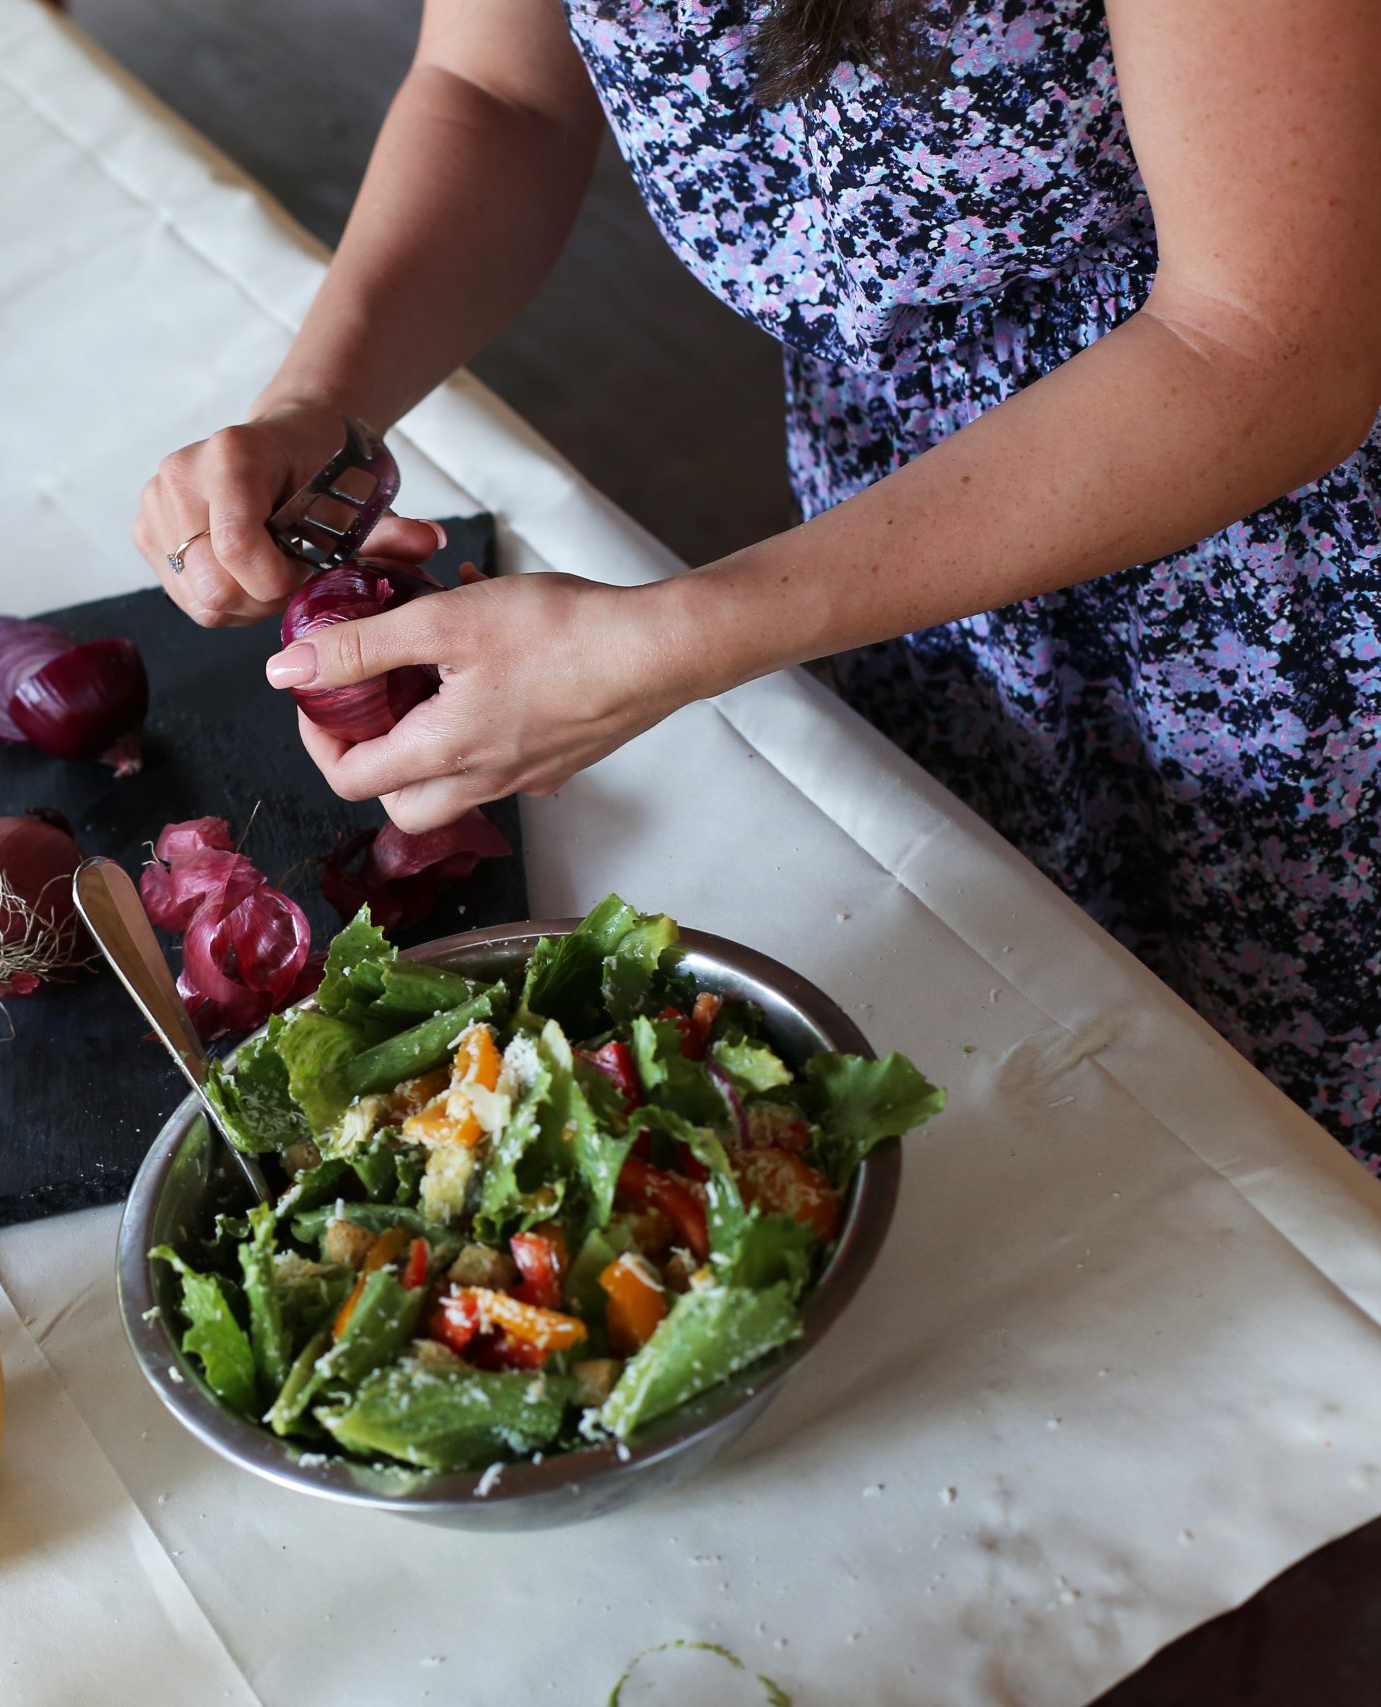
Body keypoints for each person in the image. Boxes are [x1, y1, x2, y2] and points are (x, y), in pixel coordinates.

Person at [131, 0, 1380, 1161]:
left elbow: (1266, 345)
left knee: (1297, 1131)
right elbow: (496, 90)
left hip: (1280, 588)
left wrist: (685, 632)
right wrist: (319, 406)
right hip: (901, 547)